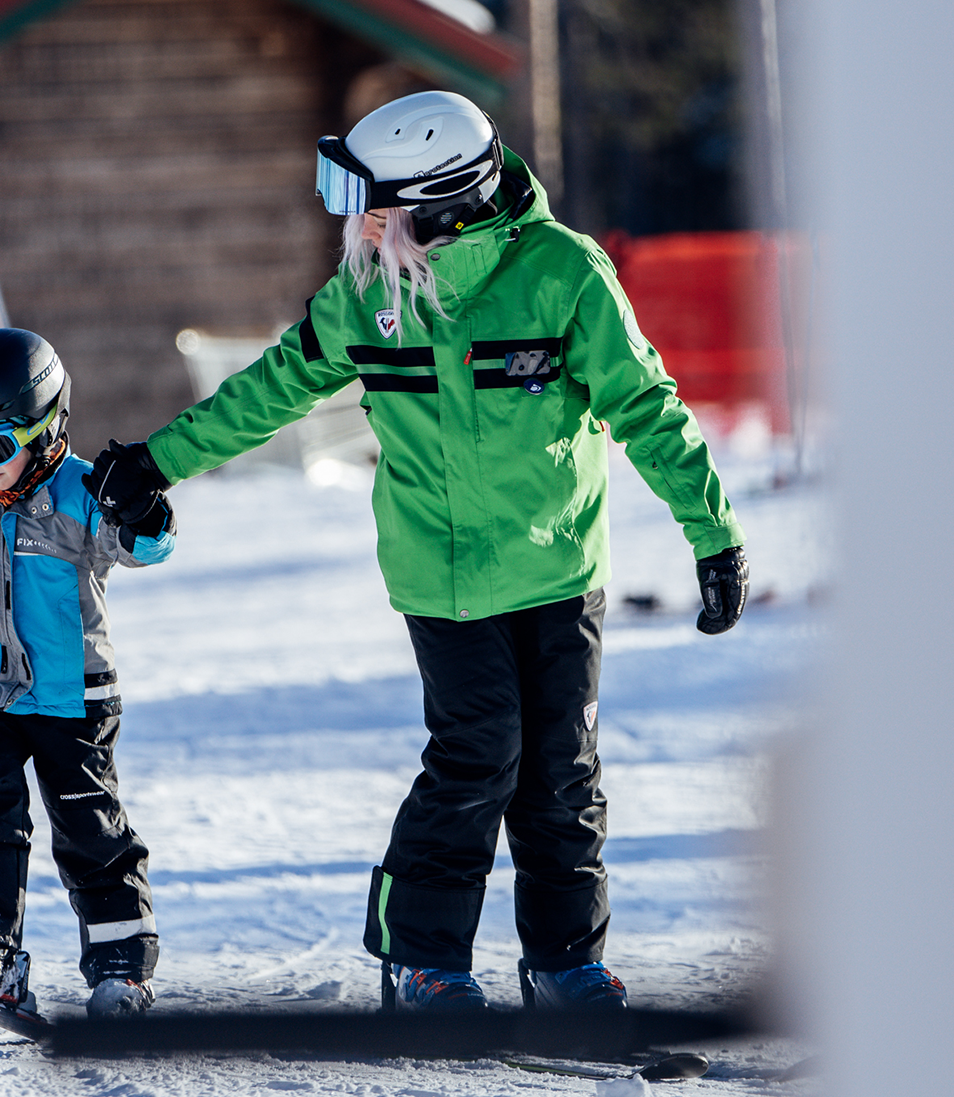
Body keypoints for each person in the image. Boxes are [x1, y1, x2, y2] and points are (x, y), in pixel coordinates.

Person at [91, 89, 748, 1015]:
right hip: (440, 579)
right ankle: (422, 959)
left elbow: (646, 406)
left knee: (561, 768)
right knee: (480, 755)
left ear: (437, 202)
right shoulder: (370, 291)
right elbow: (271, 390)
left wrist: (712, 534)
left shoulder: (563, 274)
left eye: (372, 204)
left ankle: (566, 962)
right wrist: (157, 461)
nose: (356, 223)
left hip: (557, 571)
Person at [0, 326, 173, 1021]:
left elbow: (145, 544)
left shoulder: (83, 493)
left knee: (92, 832)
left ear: (48, 425)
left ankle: (121, 969)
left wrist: (146, 506)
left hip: (72, 697)